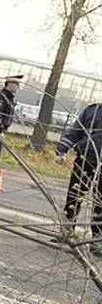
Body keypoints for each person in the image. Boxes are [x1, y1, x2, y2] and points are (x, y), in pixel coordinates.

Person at [55, 102, 102, 250]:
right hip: (85, 159)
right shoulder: (92, 111)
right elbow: (75, 131)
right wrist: (61, 150)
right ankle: (67, 232)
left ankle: (97, 240)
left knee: (100, 204)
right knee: (74, 196)